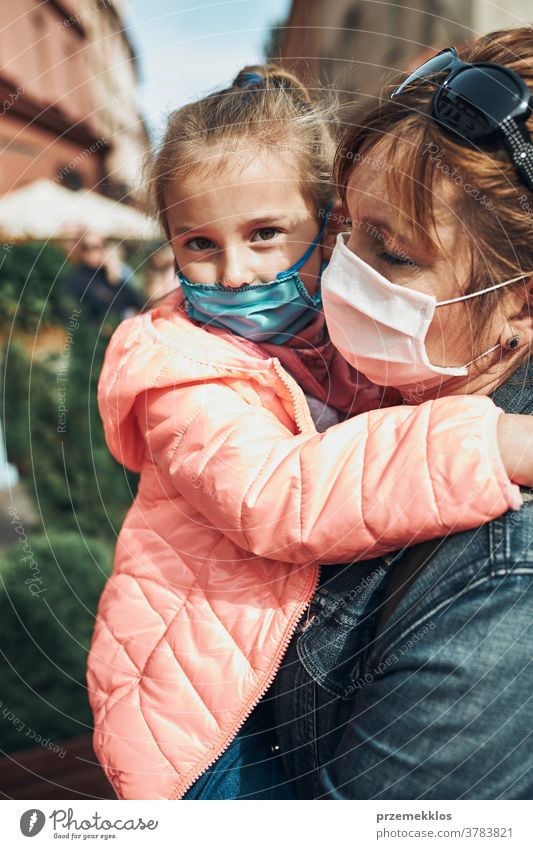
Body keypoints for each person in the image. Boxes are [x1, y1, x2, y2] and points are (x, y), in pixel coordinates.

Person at [87, 63, 533, 801]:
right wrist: (488, 444)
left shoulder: (328, 334)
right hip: (204, 730)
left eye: (264, 233)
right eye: (197, 242)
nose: (232, 273)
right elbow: (282, 493)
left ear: (314, 225)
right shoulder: (177, 368)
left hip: (251, 682)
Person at [271, 26, 533, 800]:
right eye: (346, 229)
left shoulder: (506, 572)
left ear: (521, 298)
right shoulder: (371, 390)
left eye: (393, 253)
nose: (344, 271)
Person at [65, 234, 143, 324]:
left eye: (96, 247)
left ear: (104, 249)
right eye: (85, 247)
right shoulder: (76, 277)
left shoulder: (111, 272)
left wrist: (115, 279)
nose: (91, 252)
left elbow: (136, 301)